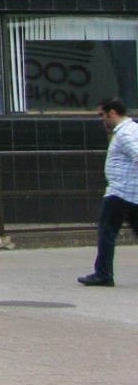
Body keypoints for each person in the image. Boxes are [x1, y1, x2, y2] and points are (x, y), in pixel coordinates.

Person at [80, 97, 138, 287]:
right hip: (132, 192)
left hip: (120, 192)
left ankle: (103, 274)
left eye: (102, 115)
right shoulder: (133, 128)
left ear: (112, 113)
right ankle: (103, 273)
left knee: (106, 231)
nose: (102, 120)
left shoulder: (124, 134)